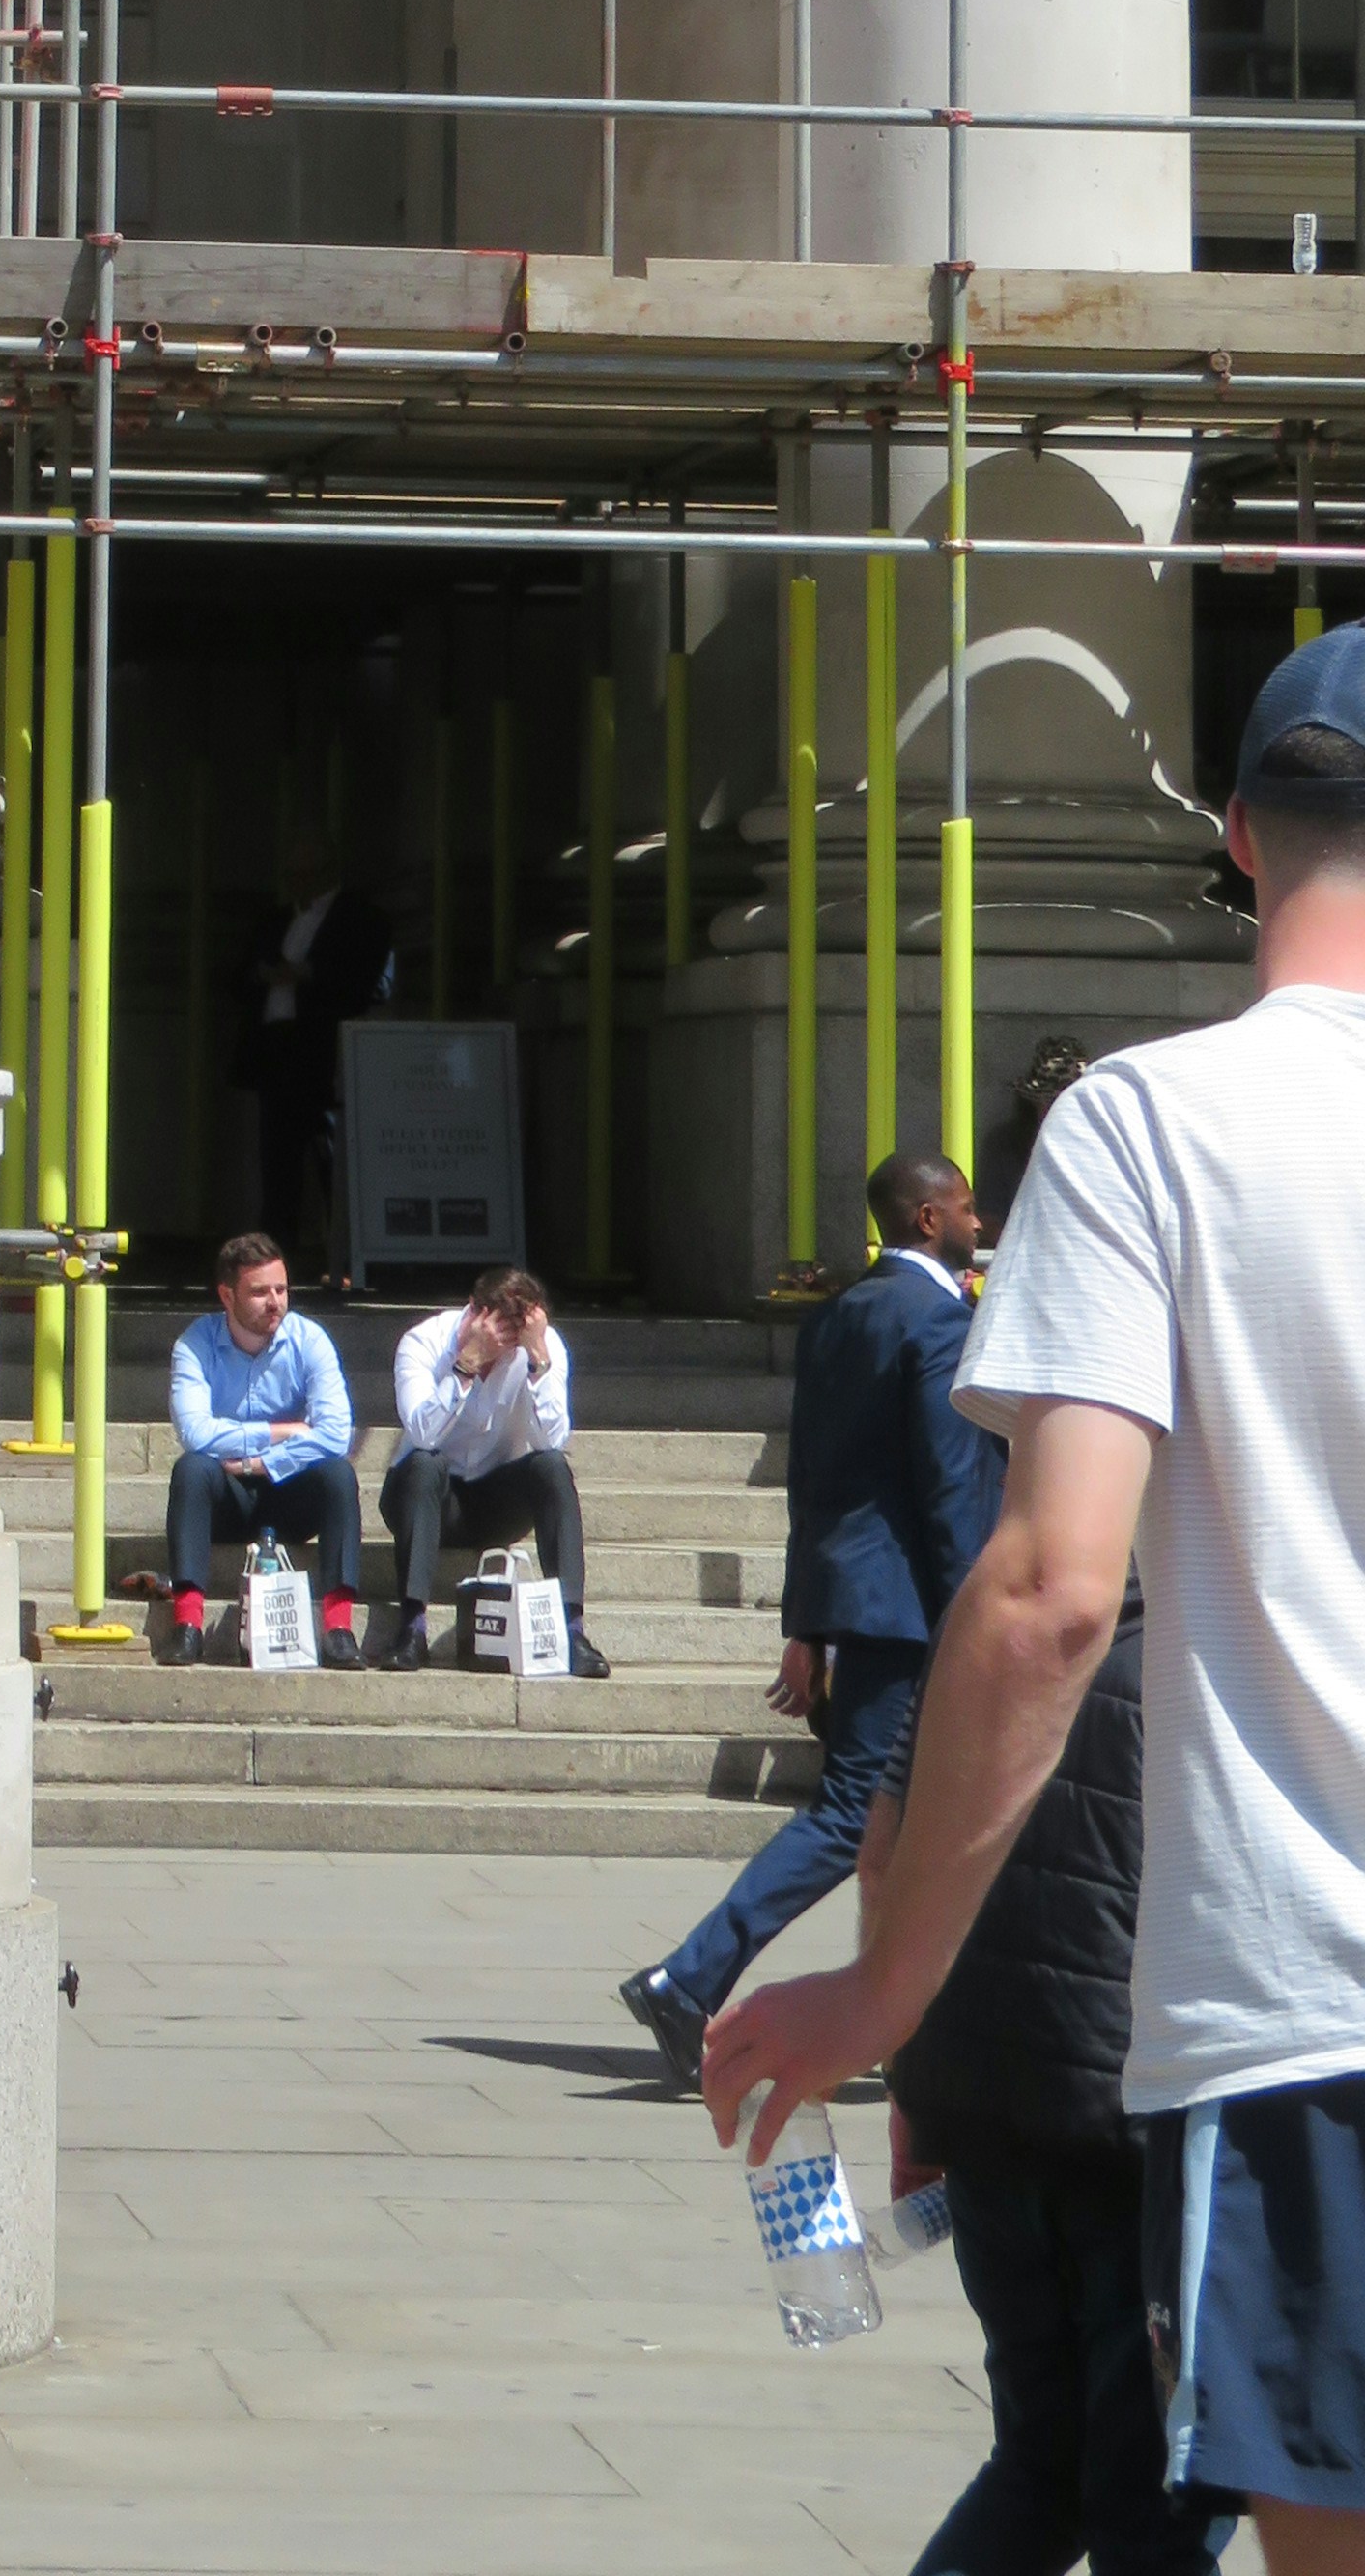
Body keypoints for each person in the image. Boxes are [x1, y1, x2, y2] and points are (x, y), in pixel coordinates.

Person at [711, 623, 1365, 2565]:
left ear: (1238, 835)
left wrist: (883, 1987)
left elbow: (1051, 1594)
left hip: (1310, 2009)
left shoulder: (1157, 1125)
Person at [620, 1148, 999, 2089]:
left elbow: (815, 1484)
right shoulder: (939, 1322)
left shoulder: (839, 1318)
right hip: (911, 1613)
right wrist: (978, 1616)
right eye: (964, 1207)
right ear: (926, 1220)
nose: (979, 1221)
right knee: (855, 1812)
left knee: (901, 1820)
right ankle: (687, 1977)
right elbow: (949, 1489)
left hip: (853, 1601)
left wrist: (808, 1620)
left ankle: (922, 2021)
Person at [880, 1591, 1217, 2576]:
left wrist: (906, 2080)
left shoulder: (980, 1613)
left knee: (1036, 2466)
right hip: (1133, 2123)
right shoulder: (1213, 1633)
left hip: (979, 2093)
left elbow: (883, 1846)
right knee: (1150, 2501)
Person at [379, 1267, 611, 1677]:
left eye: (514, 1338)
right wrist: (465, 1366)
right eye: (500, 1333)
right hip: (424, 1496)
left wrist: (538, 1361)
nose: (504, 1350)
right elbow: (421, 1432)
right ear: (474, 1314)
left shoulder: (542, 1348)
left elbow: (552, 1441)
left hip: (495, 1502)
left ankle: (572, 1628)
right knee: (425, 1462)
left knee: (552, 1466)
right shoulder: (422, 1342)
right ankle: (411, 1627)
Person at [159, 1232, 366, 1666]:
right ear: (227, 1295)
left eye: (281, 1289)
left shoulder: (310, 1341)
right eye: (259, 1292)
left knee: (338, 1475)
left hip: (290, 1491)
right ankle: (188, 1625)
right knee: (192, 1468)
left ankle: (339, 1628)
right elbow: (195, 1433)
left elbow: (335, 1434)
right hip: (227, 1495)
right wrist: (284, 1431)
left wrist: (262, 1462)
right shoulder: (194, 1346)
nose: (275, 1302)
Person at [239, 853, 394, 1260]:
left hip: (326, 1051)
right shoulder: (274, 919)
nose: (295, 880)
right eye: (290, 872)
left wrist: (309, 974)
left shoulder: (360, 918)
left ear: (327, 870)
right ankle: (275, 1260)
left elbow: (375, 983)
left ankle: (346, 1256)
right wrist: (264, 975)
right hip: (277, 1048)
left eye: (303, 870)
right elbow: (242, 971)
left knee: (333, 1158)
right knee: (277, 1161)